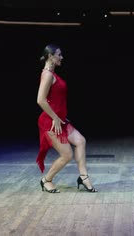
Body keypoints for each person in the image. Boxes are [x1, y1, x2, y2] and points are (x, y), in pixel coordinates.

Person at [36, 44, 97, 193]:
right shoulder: (48, 75)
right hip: (51, 122)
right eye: (59, 55)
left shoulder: (52, 74)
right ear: (51, 56)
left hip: (60, 120)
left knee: (80, 141)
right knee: (67, 155)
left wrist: (59, 117)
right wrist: (55, 117)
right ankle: (46, 180)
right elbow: (40, 100)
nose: (61, 57)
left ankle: (83, 177)